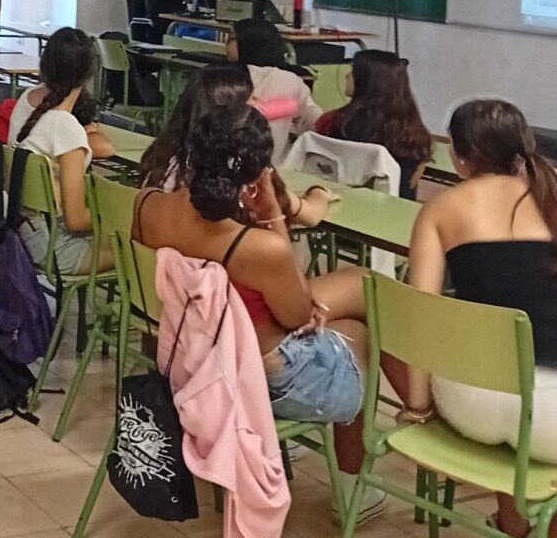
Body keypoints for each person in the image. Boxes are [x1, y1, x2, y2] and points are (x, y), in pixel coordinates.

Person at [133, 106, 391, 527]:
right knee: (365, 324)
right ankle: (357, 485)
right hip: (260, 383)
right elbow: (297, 315)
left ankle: (397, 424)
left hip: (190, 366)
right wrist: (273, 216)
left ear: (192, 153)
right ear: (258, 175)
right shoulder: (257, 247)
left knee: (360, 290)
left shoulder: (147, 205)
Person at [404, 99, 557, 534]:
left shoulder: (441, 208)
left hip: (472, 405)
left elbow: (418, 314)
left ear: (458, 155)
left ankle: (513, 522)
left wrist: (417, 406)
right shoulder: (551, 197)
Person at [138, 65, 331, 228]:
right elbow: (311, 215)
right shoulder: (245, 173)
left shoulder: (164, 157)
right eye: (251, 101)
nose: (258, 106)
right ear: (233, 115)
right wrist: (320, 192)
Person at [8, 27, 109, 277]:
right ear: (89, 73)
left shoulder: (27, 100)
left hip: (20, 236)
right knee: (143, 249)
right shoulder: (66, 127)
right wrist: (118, 215)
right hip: (57, 247)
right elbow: (76, 221)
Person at [314, 50, 432, 199]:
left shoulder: (332, 123)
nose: (346, 76)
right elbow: (411, 185)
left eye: (352, 72)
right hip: (397, 209)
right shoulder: (416, 135)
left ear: (366, 81)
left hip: (341, 202)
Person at [229, 18, 321, 160]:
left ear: (246, 43)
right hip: (275, 163)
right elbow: (314, 121)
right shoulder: (290, 80)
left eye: (231, 38)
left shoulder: (223, 78)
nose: (226, 44)